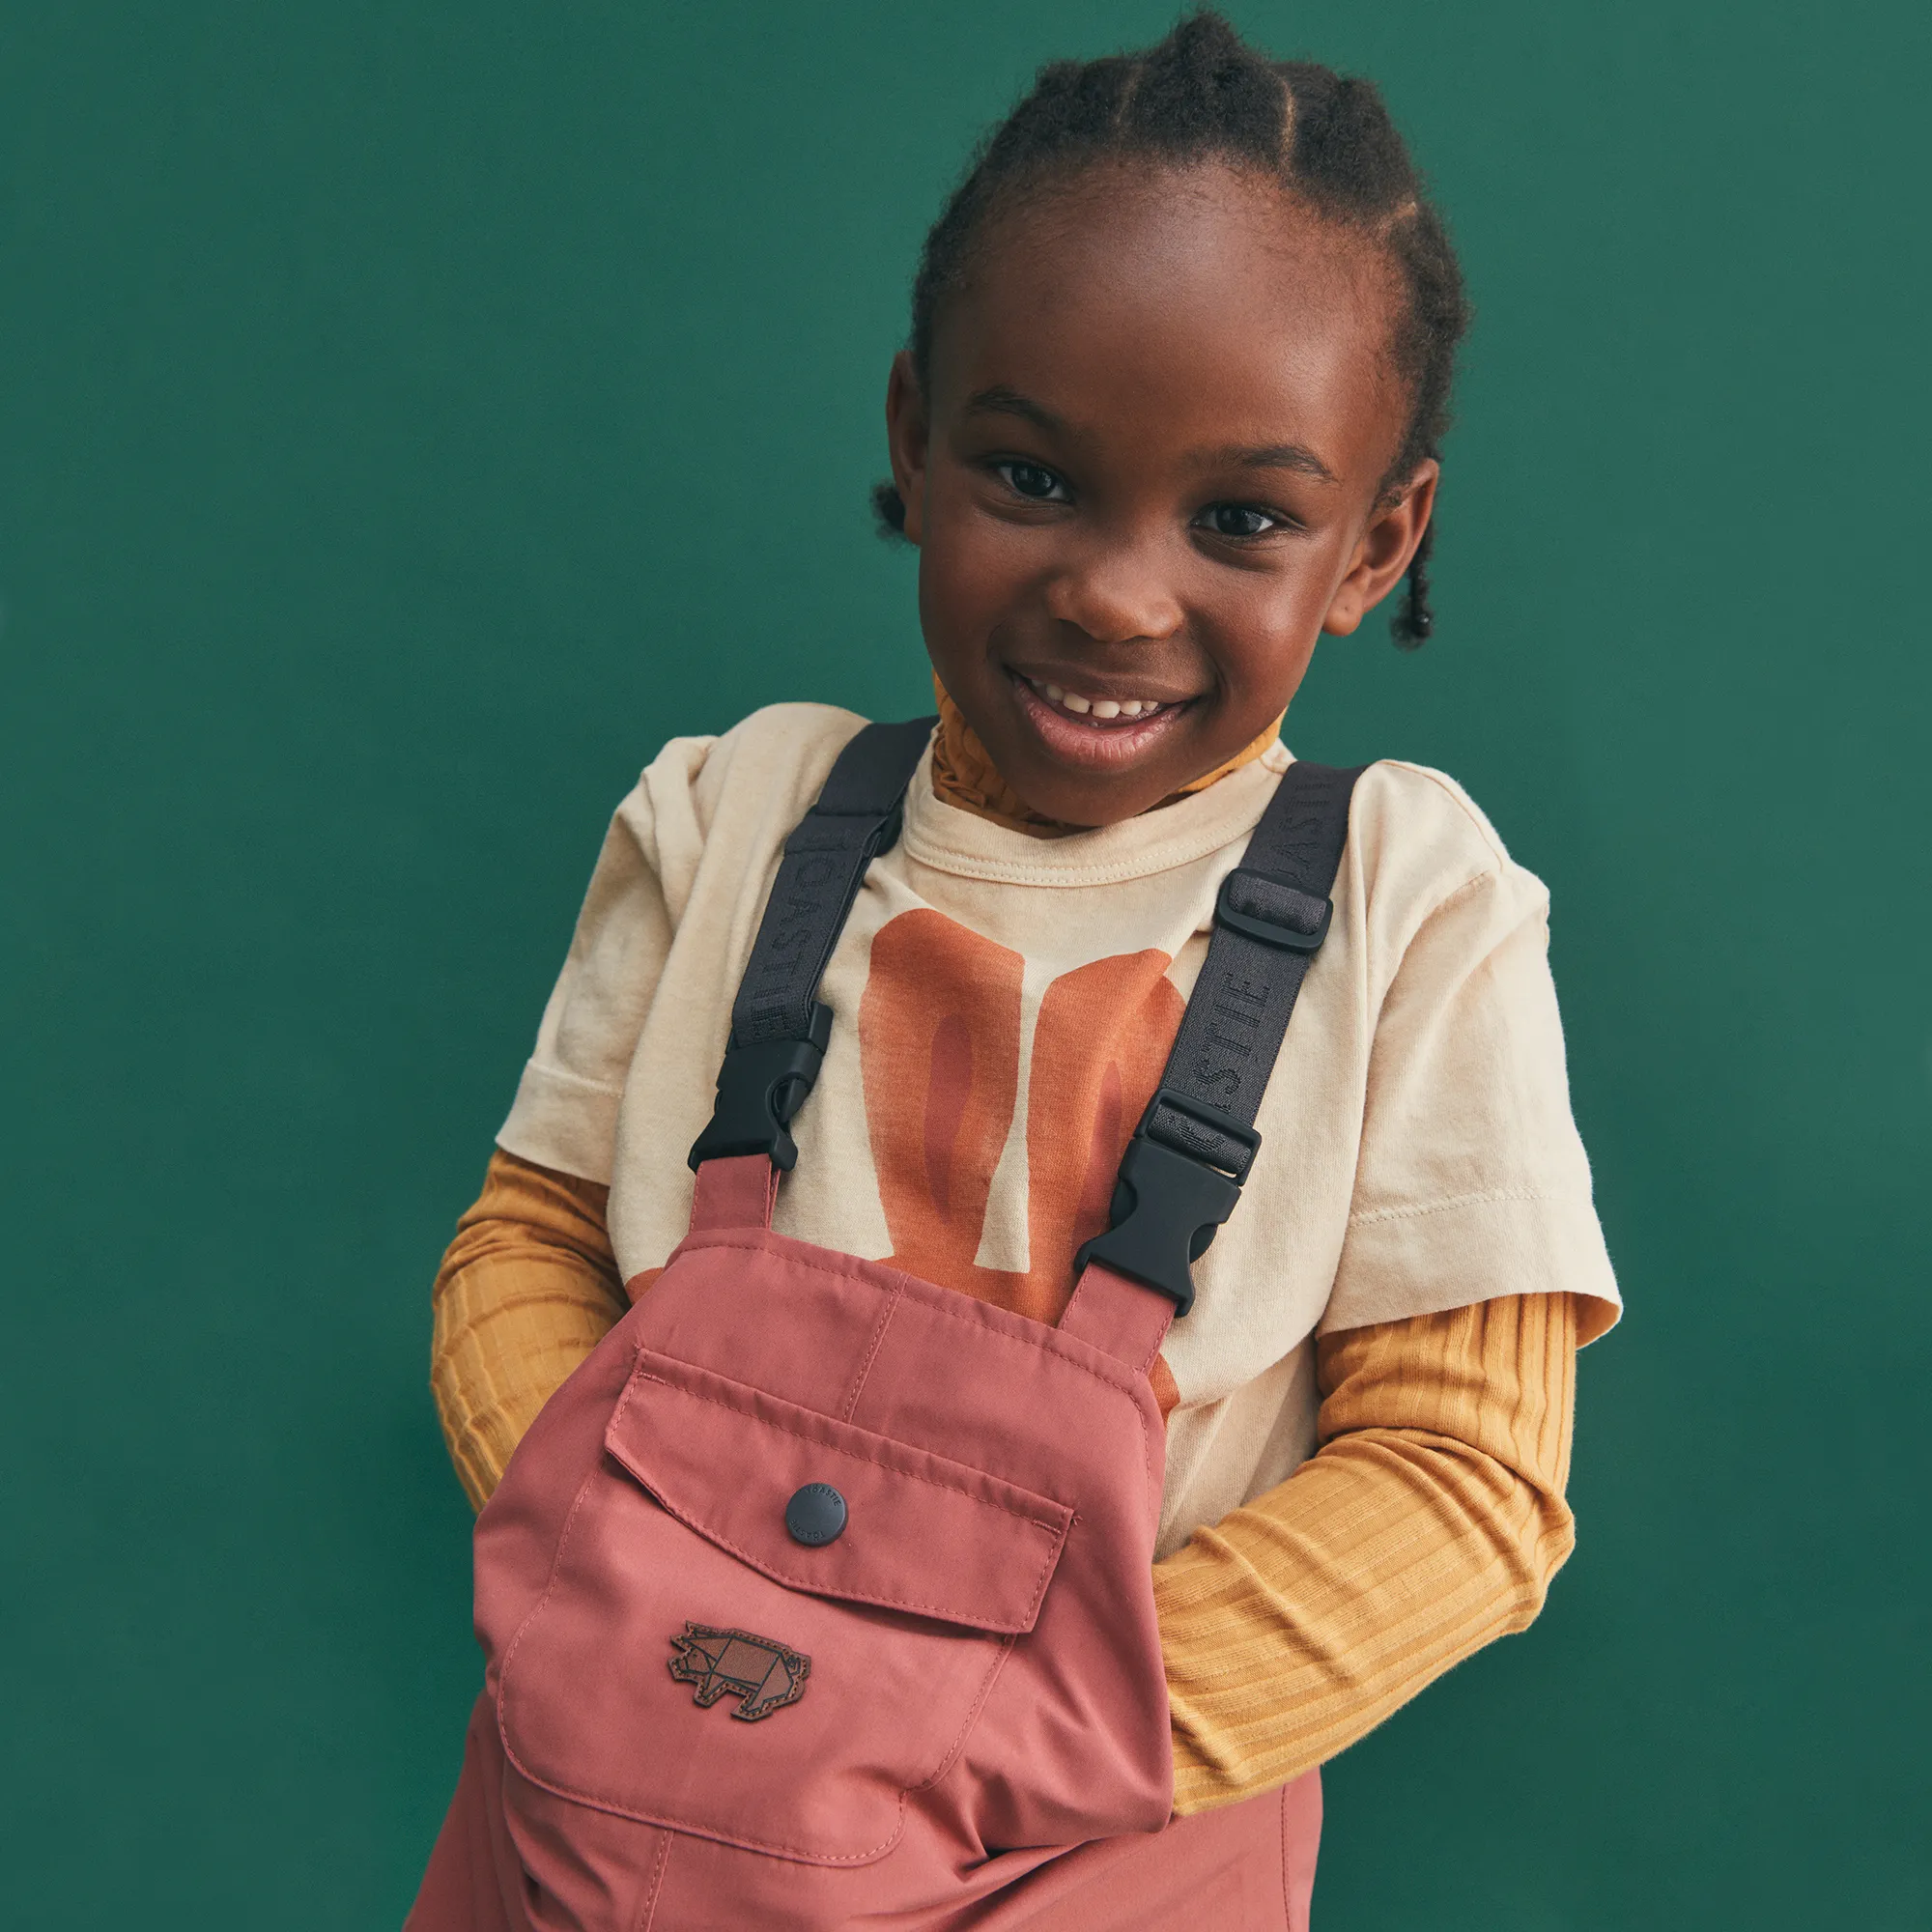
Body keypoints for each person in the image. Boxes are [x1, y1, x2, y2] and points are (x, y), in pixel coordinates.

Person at [412, 14, 1619, 1928]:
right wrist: (608, 1615)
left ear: (1380, 538)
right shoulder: (732, 813)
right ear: (914, 433)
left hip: (1075, 1855)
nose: (1117, 593)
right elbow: (527, 1241)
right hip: (597, 1819)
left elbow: (1464, 1482)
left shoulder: (1410, 904)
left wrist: (976, 1737)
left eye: (1240, 520)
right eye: (1032, 479)